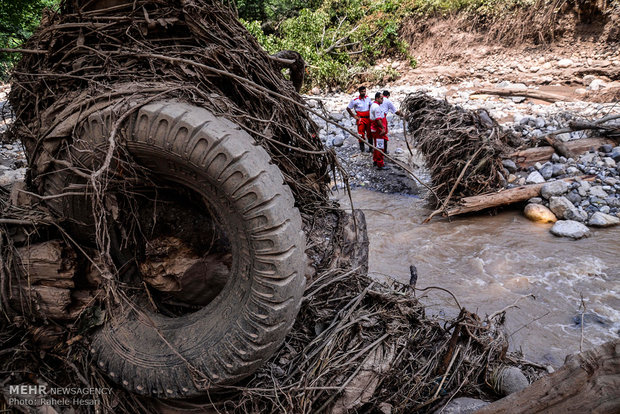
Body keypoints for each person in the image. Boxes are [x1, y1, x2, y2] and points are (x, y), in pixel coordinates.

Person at [346, 86, 372, 153]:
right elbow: (348, 108)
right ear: (359, 92)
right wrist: (354, 116)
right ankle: (362, 149)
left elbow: (371, 106)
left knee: (370, 133)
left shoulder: (368, 98)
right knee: (361, 134)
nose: (364, 93)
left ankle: (371, 148)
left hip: (368, 118)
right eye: (362, 91)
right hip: (361, 119)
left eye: (364, 91)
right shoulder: (355, 100)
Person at [380, 90, 402, 155]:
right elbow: (395, 111)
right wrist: (403, 115)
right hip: (382, 118)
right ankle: (384, 151)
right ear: (387, 96)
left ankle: (376, 149)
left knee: (378, 134)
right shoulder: (387, 101)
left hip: (375, 118)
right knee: (384, 134)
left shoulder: (376, 101)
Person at [370, 92, 388, 170]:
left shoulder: (374, 105)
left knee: (377, 145)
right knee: (380, 146)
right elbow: (378, 119)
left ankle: (375, 161)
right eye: (381, 98)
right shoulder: (376, 107)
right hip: (378, 130)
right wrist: (383, 128)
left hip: (376, 129)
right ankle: (380, 164)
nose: (382, 100)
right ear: (377, 98)